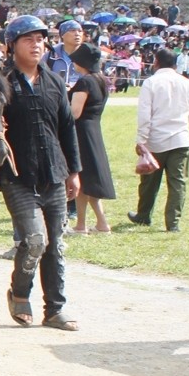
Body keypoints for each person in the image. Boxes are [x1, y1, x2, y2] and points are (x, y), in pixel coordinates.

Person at [0, 15, 82, 331]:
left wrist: (74, 171)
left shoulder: (55, 82)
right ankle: (20, 294)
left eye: (40, 39)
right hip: (17, 176)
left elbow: (67, 129)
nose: (37, 45)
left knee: (55, 244)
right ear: (12, 45)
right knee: (35, 240)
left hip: (55, 174)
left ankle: (55, 309)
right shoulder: (1, 83)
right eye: (28, 39)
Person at [128, 47, 189, 233]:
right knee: (178, 183)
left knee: (149, 181)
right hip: (181, 139)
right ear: (175, 64)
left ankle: (143, 215)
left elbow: (145, 115)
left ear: (156, 62)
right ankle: (173, 223)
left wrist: (141, 140)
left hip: (156, 139)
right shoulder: (188, 84)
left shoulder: (151, 83)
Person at [68, 43, 114, 235]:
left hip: (81, 132)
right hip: (93, 130)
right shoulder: (101, 80)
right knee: (88, 182)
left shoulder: (85, 82)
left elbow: (75, 112)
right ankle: (98, 224)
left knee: (82, 179)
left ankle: (82, 225)